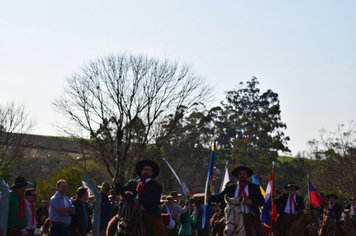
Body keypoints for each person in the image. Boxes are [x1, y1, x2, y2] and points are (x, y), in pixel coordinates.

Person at [210, 166, 265, 236]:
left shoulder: (254, 187)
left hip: (248, 215)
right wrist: (209, 197)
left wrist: (251, 202)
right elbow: (220, 197)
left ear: (247, 176)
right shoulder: (231, 187)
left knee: (260, 232)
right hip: (231, 215)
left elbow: (262, 201)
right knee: (216, 229)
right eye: (240, 174)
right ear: (237, 176)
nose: (242, 175)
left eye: (244, 174)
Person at [114, 159, 165, 235]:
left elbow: (154, 199)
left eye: (149, 170)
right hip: (130, 209)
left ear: (152, 173)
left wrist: (138, 201)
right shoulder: (132, 182)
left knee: (158, 226)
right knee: (113, 223)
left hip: (148, 210)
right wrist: (117, 184)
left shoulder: (156, 186)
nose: (146, 171)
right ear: (141, 171)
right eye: (145, 169)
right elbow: (122, 192)